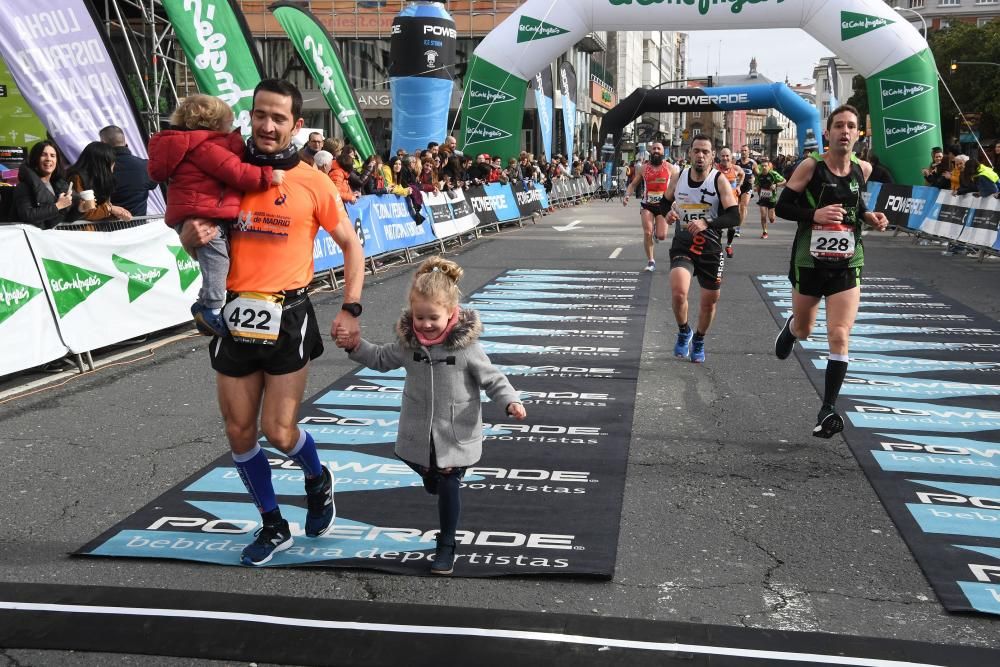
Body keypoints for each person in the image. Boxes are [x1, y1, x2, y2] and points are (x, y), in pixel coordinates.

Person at [178, 79, 365, 566]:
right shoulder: (226, 171)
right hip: (232, 312)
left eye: (278, 118)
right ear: (249, 116)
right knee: (239, 432)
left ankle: (317, 477)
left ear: (295, 126)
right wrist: (186, 234)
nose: (266, 125)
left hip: (288, 315)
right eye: (260, 114)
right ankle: (272, 523)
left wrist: (351, 306)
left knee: (279, 432)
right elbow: (194, 226)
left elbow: (350, 245)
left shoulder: (313, 180)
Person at [336, 256, 525, 575]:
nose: (424, 324)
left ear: (451, 313)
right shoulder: (410, 345)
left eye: (432, 318)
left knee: (449, 482)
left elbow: (493, 378)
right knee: (429, 472)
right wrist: (355, 346)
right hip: (418, 431)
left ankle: (446, 544)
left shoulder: (465, 348)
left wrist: (510, 401)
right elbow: (381, 358)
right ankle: (431, 475)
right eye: (419, 317)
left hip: (455, 432)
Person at [774, 104, 890, 439]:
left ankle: (828, 409)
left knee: (839, 334)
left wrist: (870, 217)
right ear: (828, 133)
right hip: (810, 260)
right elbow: (782, 207)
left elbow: (857, 205)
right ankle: (793, 328)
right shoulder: (811, 166)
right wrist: (815, 215)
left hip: (848, 261)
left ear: (857, 133)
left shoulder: (862, 169)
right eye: (838, 125)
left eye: (851, 126)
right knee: (808, 329)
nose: (844, 131)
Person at [148, 93, 284, 337]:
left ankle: (204, 304)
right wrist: (266, 176)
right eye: (228, 122)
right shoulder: (205, 146)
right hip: (202, 213)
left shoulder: (189, 143)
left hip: (195, 211)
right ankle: (211, 308)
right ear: (214, 123)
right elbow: (234, 171)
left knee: (216, 262)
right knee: (218, 262)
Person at [662, 134, 741, 363]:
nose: (700, 155)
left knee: (709, 301)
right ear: (689, 153)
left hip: (710, 248)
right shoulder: (679, 177)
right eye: (696, 150)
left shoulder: (719, 181)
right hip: (684, 243)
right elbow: (665, 202)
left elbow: (734, 216)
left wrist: (707, 222)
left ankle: (698, 338)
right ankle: (684, 330)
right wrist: (667, 212)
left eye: (705, 152)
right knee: (678, 292)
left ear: (712, 156)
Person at [13, 140, 94, 229]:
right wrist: (58, 205)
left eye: (53, 156)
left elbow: (63, 219)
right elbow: (27, 215)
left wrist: (80, 209)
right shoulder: (24, 186)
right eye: (43, 155)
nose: (48, 159)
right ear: (35, 159)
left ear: (57, 161)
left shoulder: (59, 185)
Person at [623, 141, 675, 272]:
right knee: (647, 232)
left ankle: (657, 233)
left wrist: (676, 201)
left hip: (663, 205)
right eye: (654, 149)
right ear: (650, 152)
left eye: (659, 149)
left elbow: (677, 186)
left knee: (662, 236)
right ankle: (651, 261)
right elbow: (633, 184)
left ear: (663, 152)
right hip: (647, 205)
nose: (656, 151)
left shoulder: (670, 168)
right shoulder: (644, 168)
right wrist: (627, 195)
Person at [99, 125, 159, 217]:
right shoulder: (145, 165)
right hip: (138, 226)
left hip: (107, 227)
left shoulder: (98, 168)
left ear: (103, 144)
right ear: (125, 143)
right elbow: (153, 184)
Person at [66, 142, 133, 222]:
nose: (113, 165)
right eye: (111, 162)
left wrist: (118, 213)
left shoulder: (101, 180)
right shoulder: (77, 178)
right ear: (102, 164)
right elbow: (85, 211)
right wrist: (110, 209)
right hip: (79, 231)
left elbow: (102, 210)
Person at [716, 147, 744, 258]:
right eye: (723, 156)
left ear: (731, 157)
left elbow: (743, 174)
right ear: (719, 157)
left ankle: (728, 245)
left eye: (727, 156)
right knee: (717, 227)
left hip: (732, 203)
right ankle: (717, 248)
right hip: (718, 203)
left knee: (732, 227)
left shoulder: (736, 169)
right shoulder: (715, 169)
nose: (725, 158)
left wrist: (738, 186)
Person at [755, 158, 785, 238]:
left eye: (765, 166)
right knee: (763, 215)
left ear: (769, 167)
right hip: (763, 198)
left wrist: (776, 185)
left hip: (772, 199)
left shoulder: (773, 174)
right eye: (762, 166)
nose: (764, 167)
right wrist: (757, 188)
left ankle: (772, 217)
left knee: (771, 218)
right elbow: (757, 184)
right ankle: (765, 232)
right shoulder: (759, 175)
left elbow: (784, 181)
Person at [734, 145, 757, 238]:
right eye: (742, 150)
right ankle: (740, 217)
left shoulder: (753, 163)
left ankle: (737, 228)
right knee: (737, 207)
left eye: (745, 150)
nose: (743, 152)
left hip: (747, 187)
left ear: (748, 152)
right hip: (737, 187)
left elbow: (757, 174)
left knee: (743, 206)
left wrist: (754, 179)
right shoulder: (736, 162)